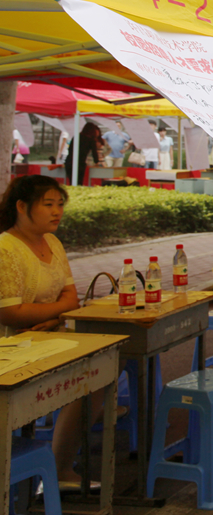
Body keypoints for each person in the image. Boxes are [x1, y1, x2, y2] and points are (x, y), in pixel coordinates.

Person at [0, 176, 105, 490]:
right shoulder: (6, 248)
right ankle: (50, 469)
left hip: (48, 338)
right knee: (88, 377)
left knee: (99, 373)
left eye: (60, 204)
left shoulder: (53, 243)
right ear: (21, 206)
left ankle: (60, 465)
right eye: (48, 205)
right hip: (12, 348)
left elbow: (73, 299)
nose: (57, 211)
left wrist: (49, 314)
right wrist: (55, 310)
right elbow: (10, 313)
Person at [64, 122, 101, 186]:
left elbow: (70, 149)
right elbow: (94, 153)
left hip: (69, 161)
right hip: (80, 163)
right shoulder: (90, 140)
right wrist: (97, 162)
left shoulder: (76, 137)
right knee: (79, 182)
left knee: (71, 182)